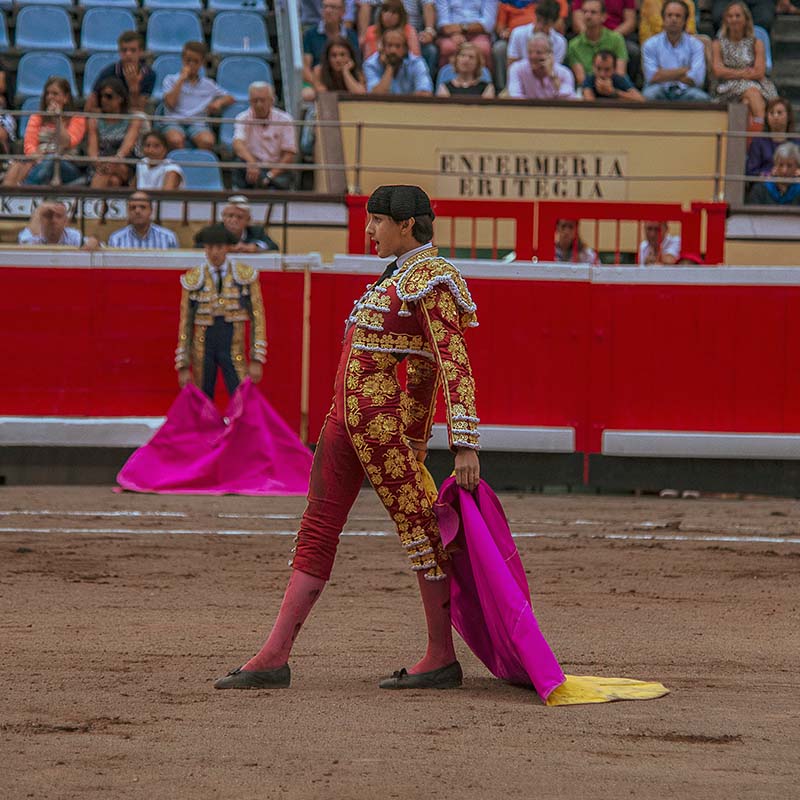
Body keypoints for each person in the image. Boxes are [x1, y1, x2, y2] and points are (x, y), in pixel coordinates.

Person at [213, 184, 480, 691]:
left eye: (378, 221)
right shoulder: (394, 278)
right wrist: (420, 436)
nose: (369, 230)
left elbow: (449, 364)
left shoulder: (434, 279)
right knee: (316, 528)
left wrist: (462, 443)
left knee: (423, 530)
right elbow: (422, 371)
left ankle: (441, 655)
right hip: (346, 420)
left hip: (378, 422)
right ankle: (273, 656)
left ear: (407, 225)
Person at [176, 223, 267, 399]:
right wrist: (183, 365)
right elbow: (185, 322)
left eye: (219, 247)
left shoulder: (245, 275)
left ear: (227, 247)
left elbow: (258, 317)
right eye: (210, 247)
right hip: (203, 343)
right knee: (203, 397)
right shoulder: (192, 278)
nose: (214, 252)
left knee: (241, 394)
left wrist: (256, 358)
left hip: (232, 341)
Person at [3, 78, 85, 187]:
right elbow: (29, 146)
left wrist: (57, 119)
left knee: (51, 161)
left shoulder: (78, 119)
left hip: (67, 164)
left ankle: (24, 189)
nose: (50, 97)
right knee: (16, 166)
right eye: (48, 93)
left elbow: (68, 143)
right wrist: (37, 158)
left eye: (55, 94)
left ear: (66, 98)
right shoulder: (37, 117)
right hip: (39, 160)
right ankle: (6, 198)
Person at [712, 1, 777, 132]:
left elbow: (759, 72)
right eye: (730, 16)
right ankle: (763, 131)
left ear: (746, 19)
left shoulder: (756, 43)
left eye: (737, 15)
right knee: (752, 92)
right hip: (727, 86)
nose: (734, 19)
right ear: (725, 20)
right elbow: (718, 71)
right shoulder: (717, 44)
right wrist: (744, 73)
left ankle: (749, 140)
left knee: (747, 102)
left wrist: (731, 71)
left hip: (757, 84)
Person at [161, 41, 234, 151]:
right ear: (182, 60)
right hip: (173, 122)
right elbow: (170, 103)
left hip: (198, 124)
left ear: (202, 63)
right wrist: (181, 80)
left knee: (207, 141)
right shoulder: (170, 80)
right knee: (175, 140)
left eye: (196, 61)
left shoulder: (208, 84)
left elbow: (230, 98)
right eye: (188, 60)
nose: (191, 64)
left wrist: (218, 102)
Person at [232, 82, 297, 191]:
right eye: (255, 101)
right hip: (251, 167)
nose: (259, 105)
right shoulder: (242, 117)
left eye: (262, 100)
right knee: (238, 164)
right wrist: (251, 162)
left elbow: (289, 154)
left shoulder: (285, 119)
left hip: (276, 169)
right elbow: (237, 143)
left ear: (272, 100)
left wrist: (271, 175)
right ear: (249, 101)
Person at [642, 1, 709, 102]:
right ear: (663, 18)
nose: (673, 19)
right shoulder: (650, 44)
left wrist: (663, 74)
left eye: (678, 16)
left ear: (685, 20)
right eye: (669, 15)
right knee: (648, 95)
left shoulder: (696, 45)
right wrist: (685, 70)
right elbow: (651, 76)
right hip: (659, 90)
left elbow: (697, 79)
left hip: (686, 90)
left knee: (702, 98)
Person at [86, 77, 143, 189]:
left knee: (111, 168)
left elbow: (127, 146)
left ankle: (91, 202)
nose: (103, 100)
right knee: (113, 181)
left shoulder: (133, 120)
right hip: (100, 163)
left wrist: (115, 160)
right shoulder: (94, 120)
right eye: (101, 96)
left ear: (120, 98)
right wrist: (97, 163)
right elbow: (92, 149)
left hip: (124, 162)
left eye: (108, 96)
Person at [359, 0, 439, 78]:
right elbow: (368, 63)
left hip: (404, 71)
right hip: (377, 71)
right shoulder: (371, 32)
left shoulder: (410, 31)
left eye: (393, 13)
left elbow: (415, 60)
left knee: (429, 52)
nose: (388, 15)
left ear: (400, 15)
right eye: (385, 11)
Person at [84, 31, 156, 113]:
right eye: (124, 50)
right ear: (119, 52)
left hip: (132, 119)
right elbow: (88, 108)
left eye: (133, 50)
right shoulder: (108, 73)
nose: (128, 54)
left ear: (140, 52)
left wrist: (134, 88)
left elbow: (138, 109)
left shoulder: (149, 74)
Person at [572, 0, 639, 82]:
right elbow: (581, 79)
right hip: (588, 87)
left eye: (593, 12)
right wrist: (589, 35)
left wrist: (609, 37)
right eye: (585, 12)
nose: (588, 16)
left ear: (604, 16)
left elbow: (620, 73)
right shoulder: (573, 45)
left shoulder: (617, 39)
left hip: (614, 85)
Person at [303, 0, 360, 90]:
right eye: (325, 7)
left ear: (343, 12)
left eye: (333, 7)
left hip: (346, 83)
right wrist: (319, 85)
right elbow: (305, 69)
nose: (328, 11)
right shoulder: (310, 35)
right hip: (319, 84)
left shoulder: (352, 36)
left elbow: (357, 67)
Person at [506, 0, 568, 76]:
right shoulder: (518, 34)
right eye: (538, 20)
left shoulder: (560, 42)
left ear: (554, 23)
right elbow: (512, 66)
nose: (540, 26)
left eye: (545, 23)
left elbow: (554, 72)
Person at [364, 28, 434, 94]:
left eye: (398, 46)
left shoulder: (416, 63)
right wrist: (390, 67)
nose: (393, 50)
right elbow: (375, 96)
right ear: (382, 48)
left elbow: (425, 93)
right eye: (389, 45)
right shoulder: (371, 64)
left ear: (405, 49)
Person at [507, 33, 575, 99]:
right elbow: (515, 97)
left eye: (538, 52)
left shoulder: (565, 73)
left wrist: (552, 76)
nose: (533, 56)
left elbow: (569, 100)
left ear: (550, 55)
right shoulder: (517, 69)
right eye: (530, 52)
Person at [434, 0, 497, 69]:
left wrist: (463, 28)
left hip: (478, 33)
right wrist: (454, 33)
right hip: (451, 34)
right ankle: (446, 78)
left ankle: (482, 79)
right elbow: (443, 23)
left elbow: (488, 24)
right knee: (448, 48)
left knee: (483, 48)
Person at [107, 191, 179, 249]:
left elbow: (176, 265)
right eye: (133, 208)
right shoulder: (116, 239)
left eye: (142, 207)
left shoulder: (168, 238)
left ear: (151, 210)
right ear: (128, 211)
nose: (137, 211)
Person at [746, 98, 799, 176]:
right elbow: (751, 171)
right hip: (766, 185)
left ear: (788, 116)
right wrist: (768, 174)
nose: (775, 116)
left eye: (779, 113)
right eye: (771, 113)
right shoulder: (758, 142)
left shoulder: (797, 142)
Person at [17, 200, 99, 249]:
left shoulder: (72, 235)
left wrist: (93, 242)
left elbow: (95, 244)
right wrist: (39, 210)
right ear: (40, 218)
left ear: (65, 221)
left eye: (59, 216)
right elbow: (28, 246)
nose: (53, 220)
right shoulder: (28, 234)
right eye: (48, 216)